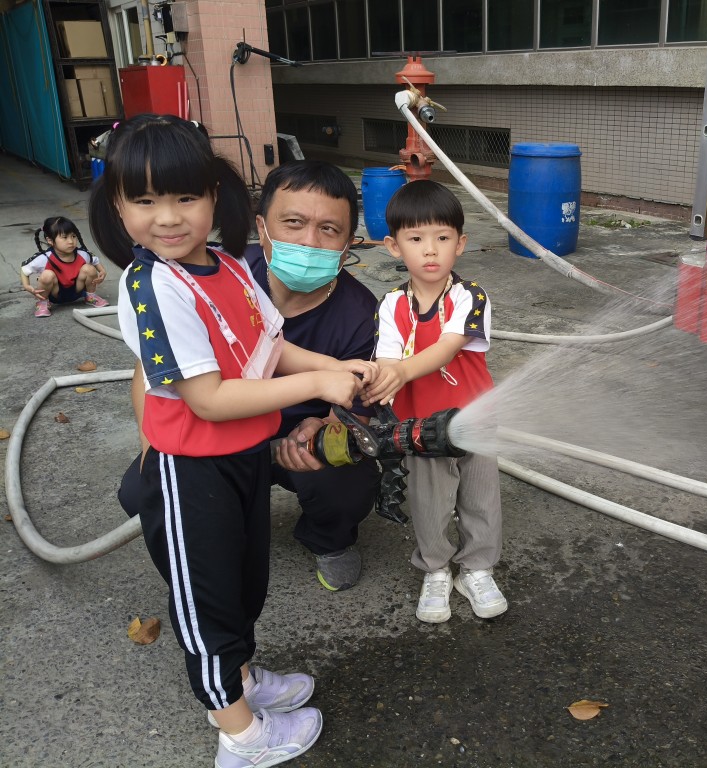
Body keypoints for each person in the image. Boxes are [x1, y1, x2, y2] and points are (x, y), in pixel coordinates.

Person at [89, 114, 379, 768]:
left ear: (215, 197)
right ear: (118, 207)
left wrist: (338, 368)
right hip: (193, 468)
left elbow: (271, 348)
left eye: (185, 197)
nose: (168, 218)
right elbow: (209, 399)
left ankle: (242, 678)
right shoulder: (154, 288)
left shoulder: (226, 266)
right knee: (208, 606)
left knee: (244, 583)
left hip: (240, 456)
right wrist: (324, 382)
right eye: (145, 201)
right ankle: (241, 736)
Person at [363, 179, 508, 624]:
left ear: (460, 244)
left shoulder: (470, 296)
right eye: (416, 239)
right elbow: (388, 360)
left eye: (442, 238)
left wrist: (399, 373)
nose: (430, 250)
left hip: (475, 418)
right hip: (420, 427)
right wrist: (378, 384)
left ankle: (477, 568)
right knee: (429, 502)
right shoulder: (391, 304)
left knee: (480, 497)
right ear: (393, 246)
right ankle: (436, 568)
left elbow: (447, 348)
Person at [246, 160, 381, 591]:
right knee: (146, 487)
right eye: (293, 222)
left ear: (348, 245)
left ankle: (328, 538)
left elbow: (359, 404)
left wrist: (325, 426)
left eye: (328, 229)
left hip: (302, 432)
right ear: (262, 228)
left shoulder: (363, 314)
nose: (309, 241)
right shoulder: (226, 279)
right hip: (225, 424)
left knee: (347, 475)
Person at [21, 216, 108, 317]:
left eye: (73, 236)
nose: (71, 241)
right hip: (55, 293)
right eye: (65, 237)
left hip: (77, 290)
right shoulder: (45, 258)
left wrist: (102, 271)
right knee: (47, 275)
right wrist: (27, 286)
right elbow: (24, 270)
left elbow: (95, 260)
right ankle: (43, 303)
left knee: (89, 269)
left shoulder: (82, 254)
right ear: (50, 240)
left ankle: (90, 296)